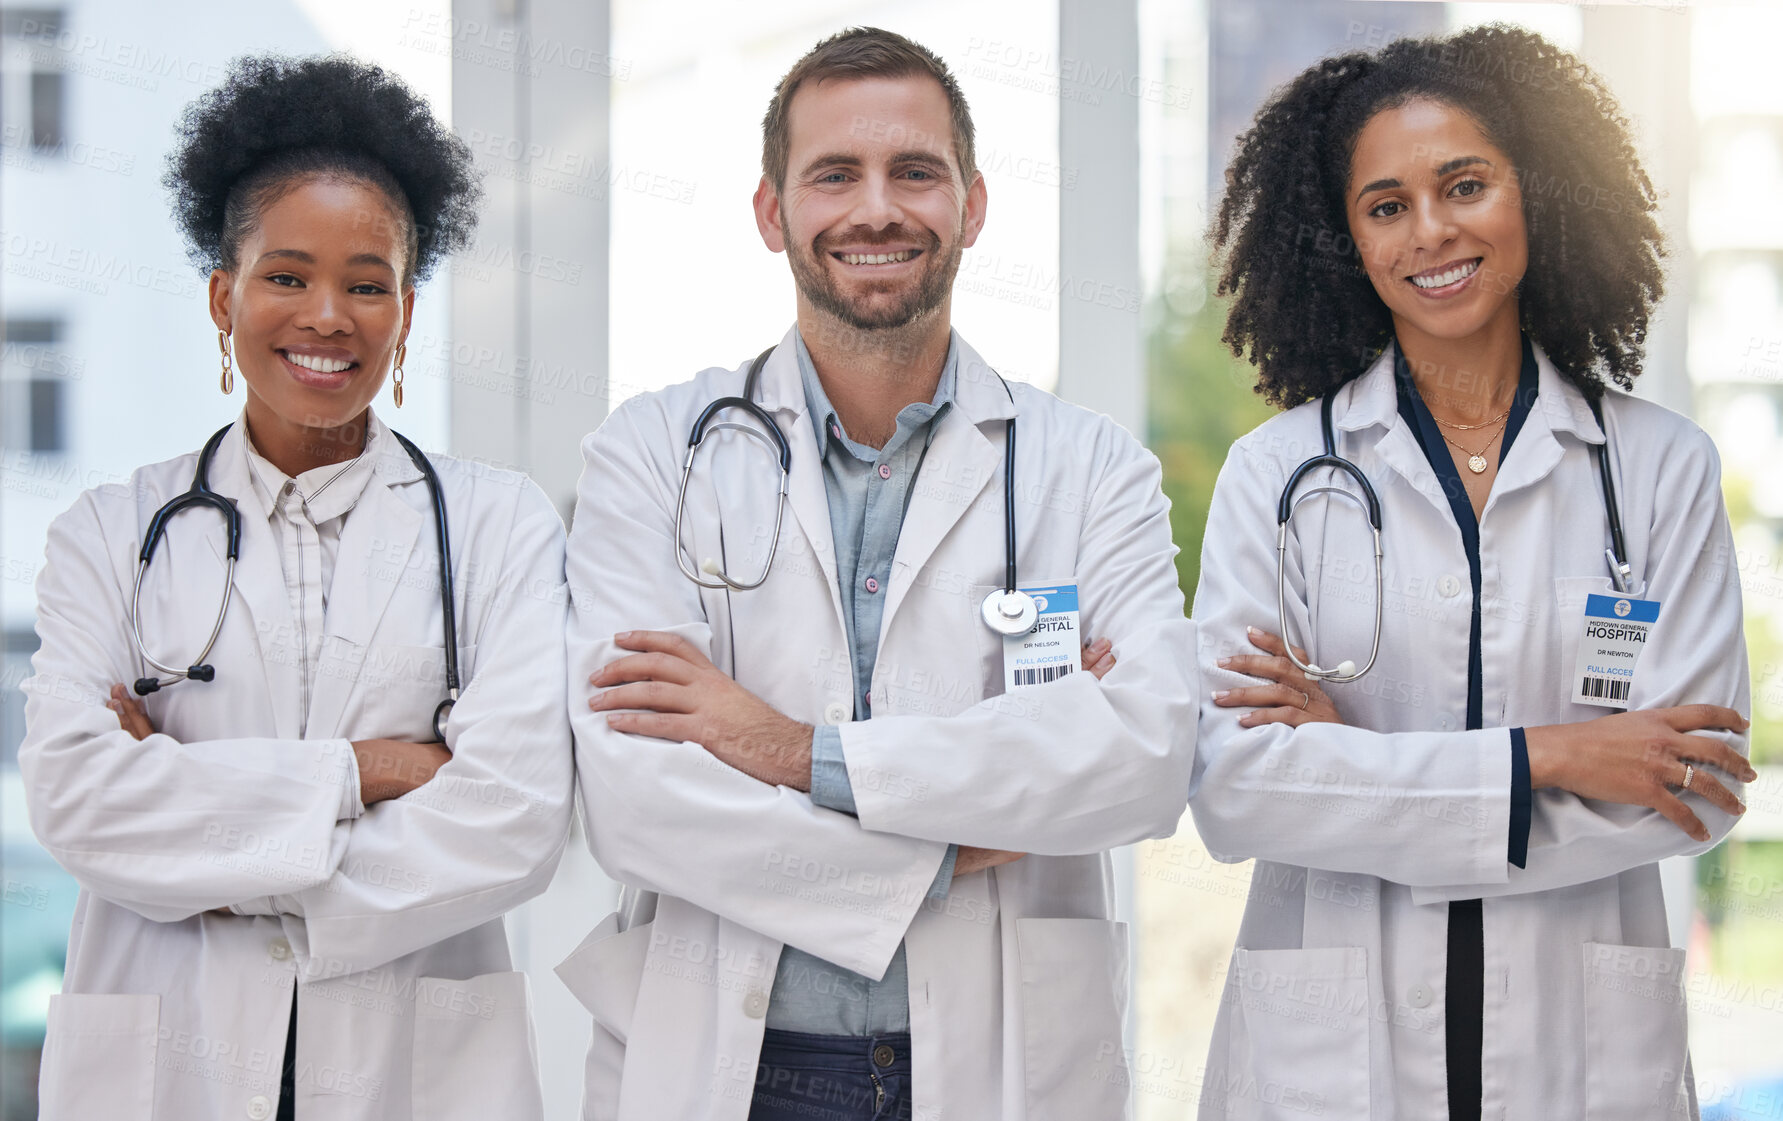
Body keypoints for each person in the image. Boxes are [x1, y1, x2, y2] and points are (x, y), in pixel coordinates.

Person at [556, 27, 1194, 1121]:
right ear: (772, 211)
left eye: (915, 172)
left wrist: (786, 748)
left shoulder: (1089, 470)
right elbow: (636, 799)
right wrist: (964, 839)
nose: (876, 209)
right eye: (834, 174)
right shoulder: (653, 452)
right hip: (731, 1063)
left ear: (973, 204)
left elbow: (1143, 757)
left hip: (1001, 1063)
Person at [1189, 24, 1753, 1121]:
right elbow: (1236, 788)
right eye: (1385, 205)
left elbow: (1692, 784)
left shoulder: (1659, 467)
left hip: (1582, 1053)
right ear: (1343, 239)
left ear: (1534, 192)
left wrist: (1353, 765)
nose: (1430, 231)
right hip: (1331, 1058)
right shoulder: (1280, 471)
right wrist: (1556, 754)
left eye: (1464, 184)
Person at [18, 54, 573, 1121]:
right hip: (166, 1050)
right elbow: (80, 800)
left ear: (405, 313)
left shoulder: (497, 526)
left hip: (410, 1058)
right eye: (286, 275)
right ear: (224, 295)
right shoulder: (108, 533)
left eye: (367, 284)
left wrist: (209, 844)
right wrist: (376, 769)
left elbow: (512, 817)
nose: (328, 314)